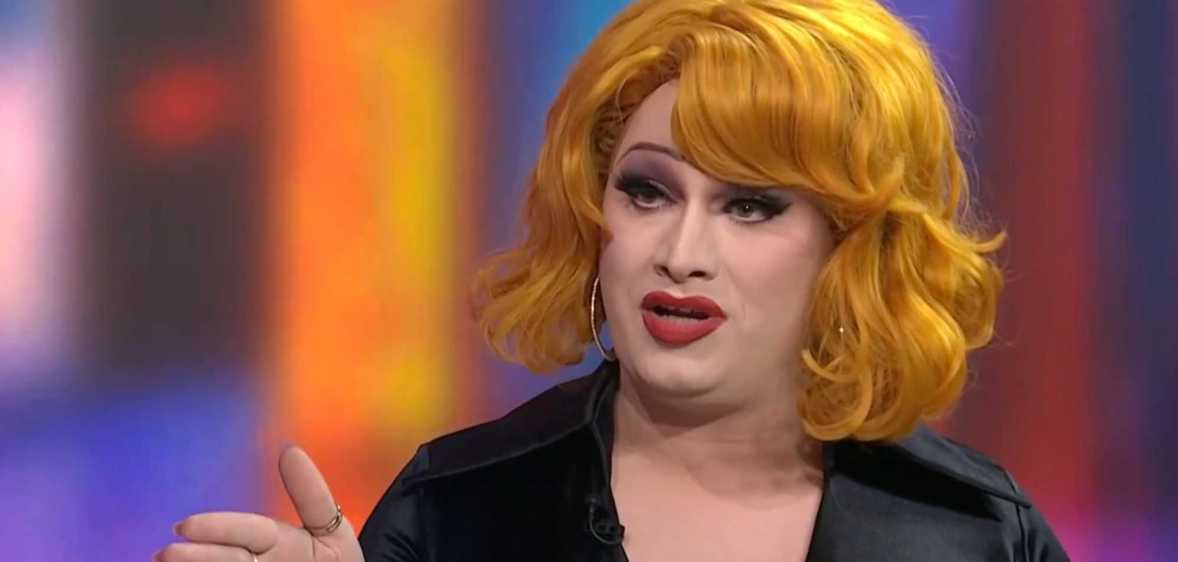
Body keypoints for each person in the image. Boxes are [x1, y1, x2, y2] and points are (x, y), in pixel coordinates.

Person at [156, 0, 1070, 560]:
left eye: (751, 206)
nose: (681, 249)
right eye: (647, 190)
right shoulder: (456, 511)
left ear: (849, 249)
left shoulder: (973, 531)